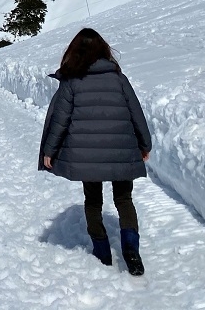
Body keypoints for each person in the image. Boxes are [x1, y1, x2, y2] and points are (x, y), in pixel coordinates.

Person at [39, 28, 152, 276]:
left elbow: (60, 120)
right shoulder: (118, 79)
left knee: (93, 201)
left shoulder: (72, 82)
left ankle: (102, 251)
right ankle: (131, 250)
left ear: (74, 52)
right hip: (121, 151)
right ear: (103, 50)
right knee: (124, 199)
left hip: (86, 155)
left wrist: (50, 151)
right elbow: (136, 113)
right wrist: (145, 144)